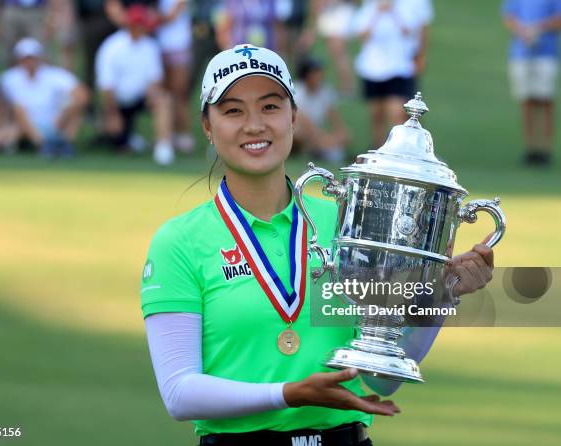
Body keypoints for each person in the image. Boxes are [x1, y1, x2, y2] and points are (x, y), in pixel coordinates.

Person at [141, 44, 496, 445]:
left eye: (270, 107)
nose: (254, 125)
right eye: (233, 110)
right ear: (208, 126)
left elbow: (385, 376)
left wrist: (441, 294)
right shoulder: (180, 242)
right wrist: (289, 395)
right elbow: (179, 393)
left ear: (294, 117)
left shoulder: (348, 222)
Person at [95, 4, 174, 163]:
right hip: (117, 103)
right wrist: (112, 113)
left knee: (163, 100)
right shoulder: (112, 47)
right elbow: (106, 86)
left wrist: (153, 94)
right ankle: (128, 137)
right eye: (136, 24)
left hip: (140, 98)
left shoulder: (150, 46)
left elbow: (155, 80)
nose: (139, 28)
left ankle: (163, 146)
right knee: (120, 146)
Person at [0, 38, 89, 158]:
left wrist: (63, 113)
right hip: (25, 126)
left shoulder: (54, 75)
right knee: (18, 109)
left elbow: (82, 95)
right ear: (19, 59)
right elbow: (2, 108)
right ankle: (44, 145)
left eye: (32, 58)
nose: (29, 62)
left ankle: (65, 144)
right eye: (26, 58)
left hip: (55, 122)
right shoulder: (9, 79)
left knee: (77, 106)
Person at [353, 0, 420, 148]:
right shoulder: (369, 8)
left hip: (397, 68)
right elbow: (363, 34)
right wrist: (377, 12)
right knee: (376, 114)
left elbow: (409, 31)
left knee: (396, 113)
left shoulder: (406, 7)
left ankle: (399, 149)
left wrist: (393, 12)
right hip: (372, 68)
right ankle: (377, 150)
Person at [502, 0, 561, 166]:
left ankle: (546, 149)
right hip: (521, 53)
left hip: (546, 54)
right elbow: (508, 16)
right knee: (526, 102)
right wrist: (523, 31)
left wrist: (539, 28)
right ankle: (531, 148)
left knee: (545, 101)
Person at [294, 56, 350, 162]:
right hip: (299, 133)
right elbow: (305, 122)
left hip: (315, 136)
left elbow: (335, 119)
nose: (319, 76)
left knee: (337, 144)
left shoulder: (325, 92)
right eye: (315, 73)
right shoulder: (297, 91)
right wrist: (322, 138)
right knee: (299, 135)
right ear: (306, 75)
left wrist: (340, 135)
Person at [158, 0, 195, 154]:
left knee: (179, 92)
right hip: (159, 45)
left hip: (178, 45)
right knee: (165, 93)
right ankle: (168, 133)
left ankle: (183, 133)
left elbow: (170, 16)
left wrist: (150, 19)